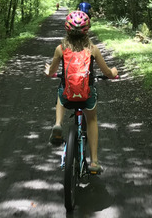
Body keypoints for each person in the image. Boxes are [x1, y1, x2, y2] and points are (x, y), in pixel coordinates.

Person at [44, 10, 117, 174]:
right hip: (87, 96)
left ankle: (57, 124)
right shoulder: (93, 49)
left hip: (69, 95)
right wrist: (114, 72)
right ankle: (94, 162)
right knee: (91, 120)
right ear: (87, 30)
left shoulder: (60, 49)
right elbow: (107, 72)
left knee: (61, 95)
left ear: (67, 30)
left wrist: (49, 70)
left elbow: (51, 72)